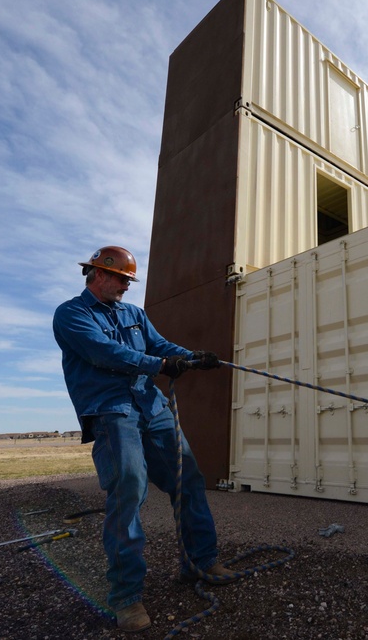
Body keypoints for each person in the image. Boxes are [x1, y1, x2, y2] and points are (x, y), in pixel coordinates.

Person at [52, 245, 230, 633]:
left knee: (190, 480)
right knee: (129, 488)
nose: (127, 287)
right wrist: (160, 365)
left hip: (153, 407)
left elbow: (159, 346)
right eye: (121, 279)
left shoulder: (134, 314)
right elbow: (105, 353)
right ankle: (127, 598)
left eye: (129, 281)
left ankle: (201, 562)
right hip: (112, 411)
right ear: (98, 274)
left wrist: (192, 357)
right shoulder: (71, 314)